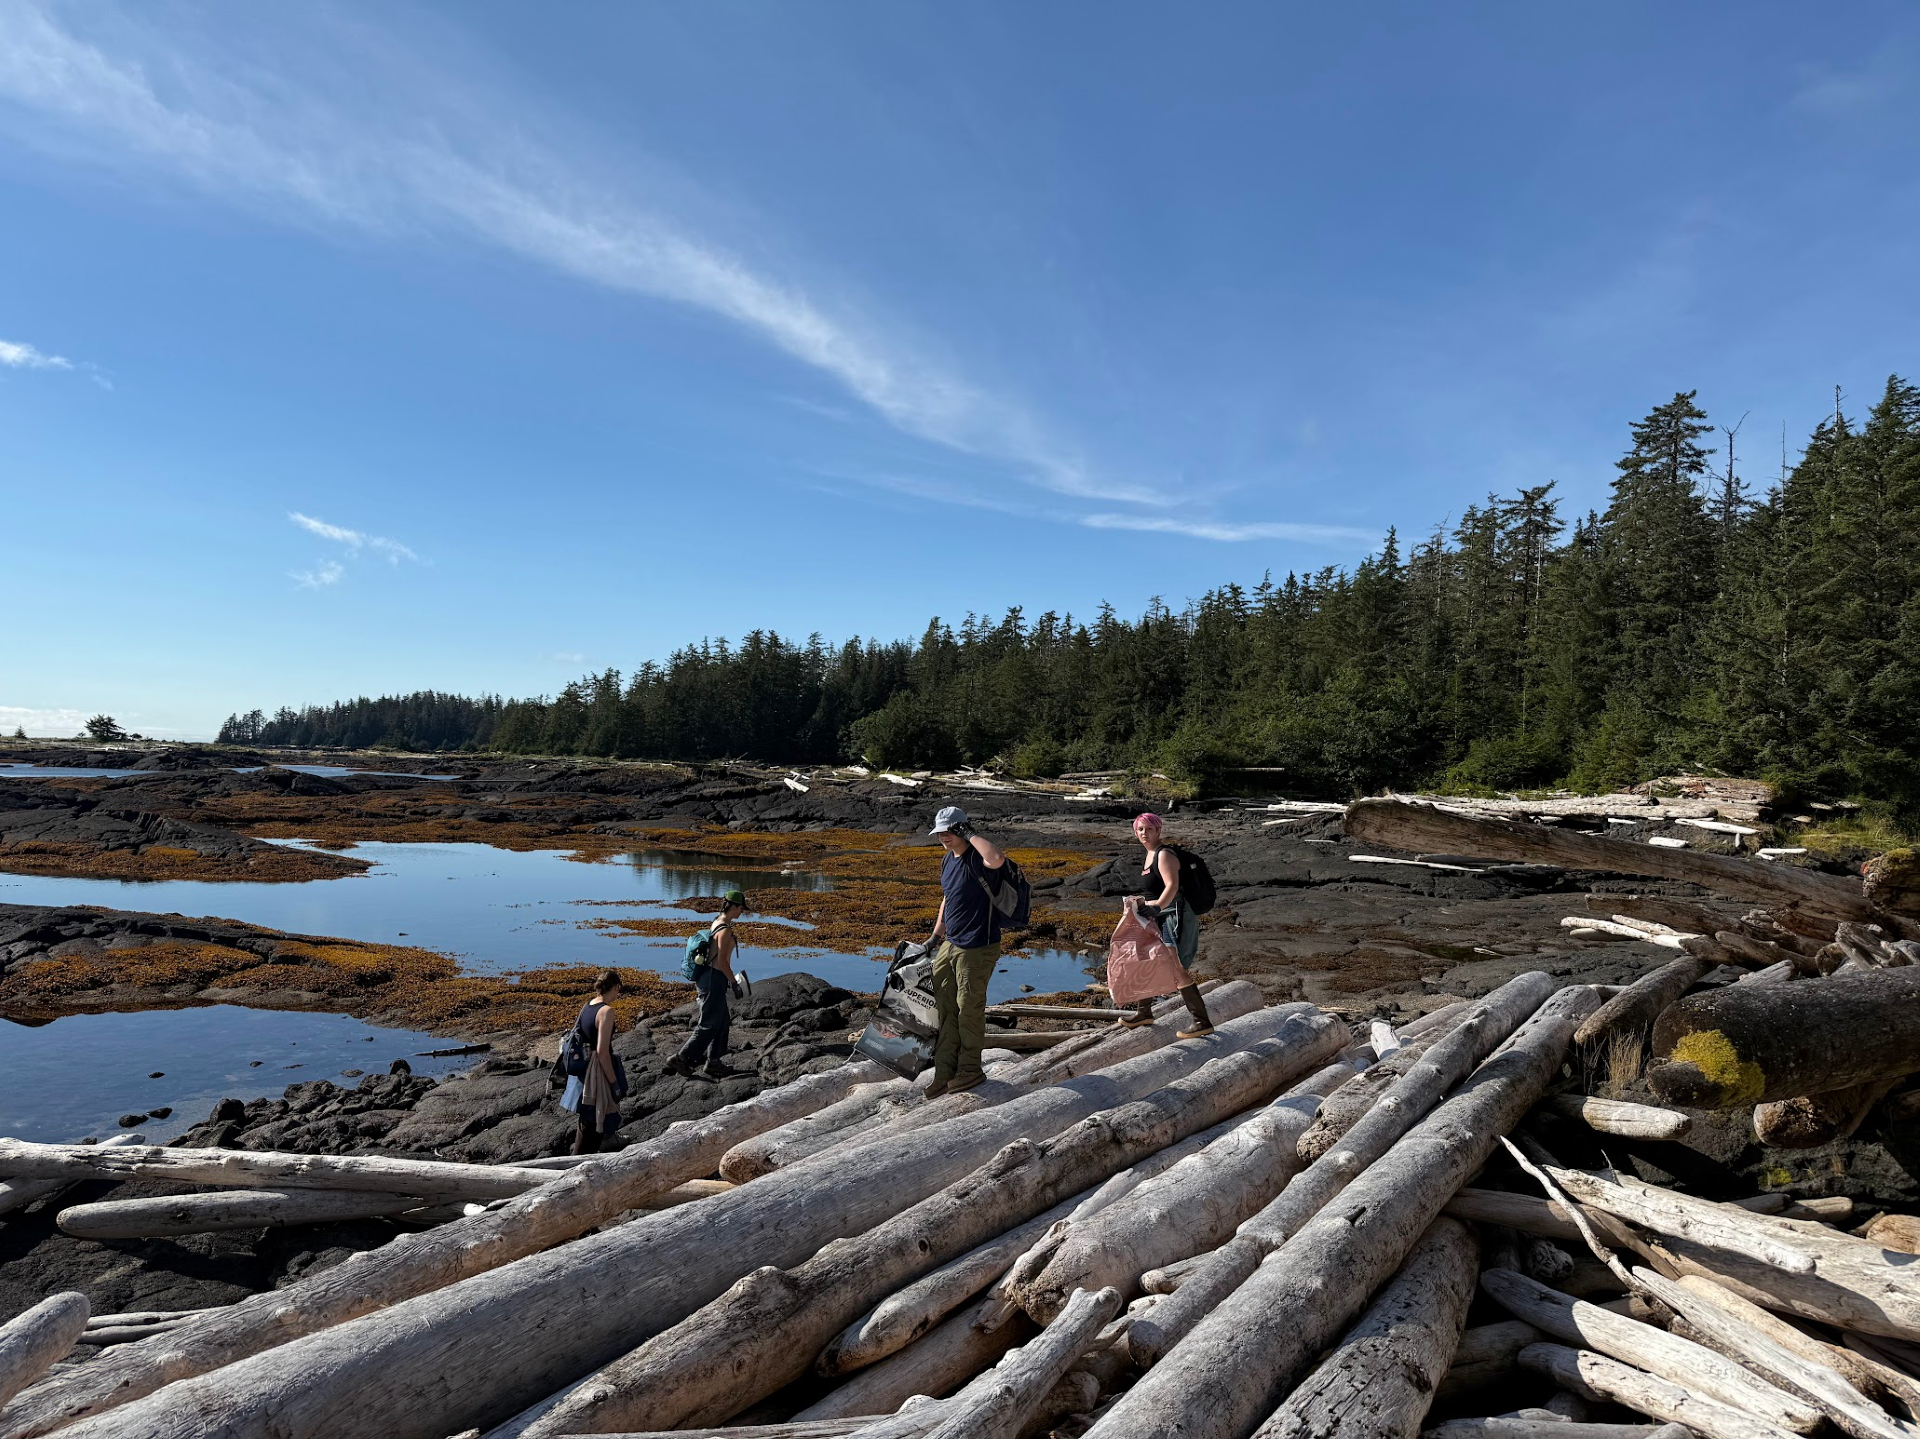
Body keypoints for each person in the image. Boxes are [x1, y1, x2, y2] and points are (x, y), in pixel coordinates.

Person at [922, 805, 1008, 1097]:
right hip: (951, 944)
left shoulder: (978, 858)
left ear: (961, 829)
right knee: (943, 1007)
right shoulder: (948, 860)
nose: (944, 837)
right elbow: (947, 900)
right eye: (940, 832)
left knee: (968, 1008)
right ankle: (945, 1072)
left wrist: (970, 834)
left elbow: (997, 858)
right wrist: (935, 937)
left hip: (978, 946)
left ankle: (970, 1069)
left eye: (949, 831)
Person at [1120, 812, 1215, 1038]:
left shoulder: (1164, 854)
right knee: (1149, 960)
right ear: (1135, 832)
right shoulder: (1149, 855)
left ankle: (1202, 1022)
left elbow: (1172, 886)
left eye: (1149, 829)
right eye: (1140, 829)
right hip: (1160, 914)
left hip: (1175, 914)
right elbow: (1157, 889)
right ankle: (1144, 1012)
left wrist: (1156, 907)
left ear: (1158, 831)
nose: (1144, 833)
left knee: (1176, 967)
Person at [668, 888, 747, 1080]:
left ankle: (713, 1061)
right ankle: (681, 1058)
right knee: (709, 1023)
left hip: (711, 977)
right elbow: (721, 961)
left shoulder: (718, 922)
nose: (742, 912)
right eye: (741, 908)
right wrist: (734, 983)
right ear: (734, 907)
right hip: (713, 978)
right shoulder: (725, 929)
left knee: (722, 1021)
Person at [571, 969, 626, 1155]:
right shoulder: (606, 1011)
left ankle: (605, 1140)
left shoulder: (588, 1005)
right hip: (597, 1071)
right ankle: (578, 1162)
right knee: (596, 1117)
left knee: (587, 1117)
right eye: (619, 988)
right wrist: (613, 1083)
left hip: (584, 1068)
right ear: (616, 987)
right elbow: (603, 1052)